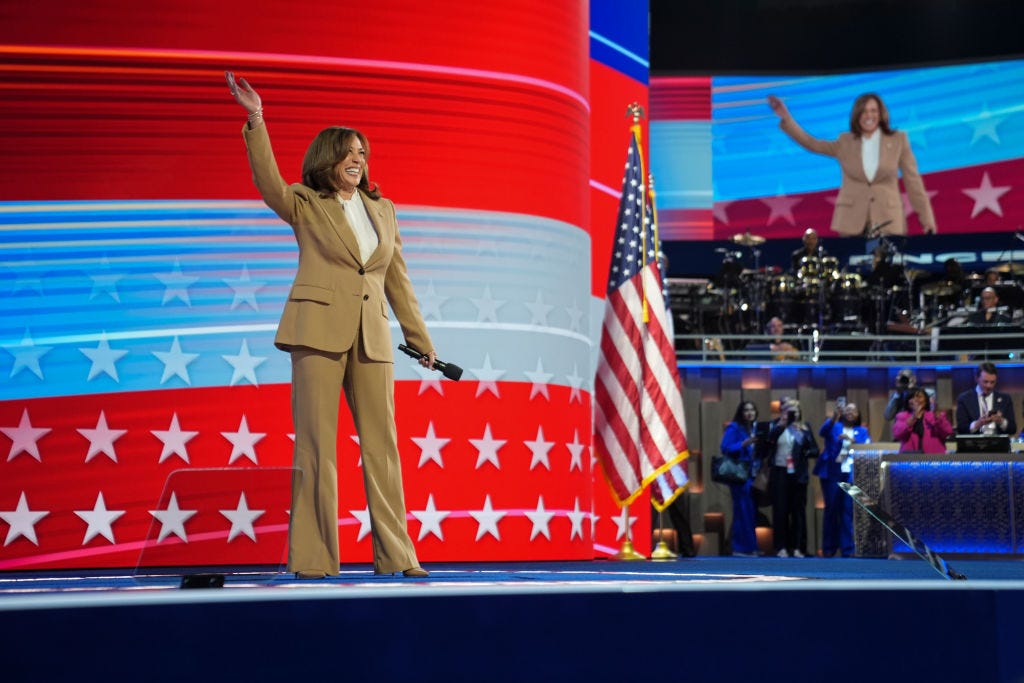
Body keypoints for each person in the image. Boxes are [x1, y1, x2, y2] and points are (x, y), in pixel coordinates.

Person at [226, 72, 434, 579]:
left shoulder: (383, 209)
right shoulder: (304, 202)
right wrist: (256, 117)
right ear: (328, 158)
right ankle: (317, 560)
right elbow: (267, 180)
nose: (358, 160)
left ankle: (398, 558)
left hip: (373, 337)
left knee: (383, 450)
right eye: (349, 152)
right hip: (316, 333)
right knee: (318, 447)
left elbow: (397, 279)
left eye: (363, 152)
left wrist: (419, 339)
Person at [767, 93, 937, 237]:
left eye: (873, 110)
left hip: (888, 220)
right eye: (863, 111)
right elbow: (812, 144)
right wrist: (786, 118)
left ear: (881, 113)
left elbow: (913, 181)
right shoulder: (845, 142)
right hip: (851, 221)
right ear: (857, 115)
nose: (868, 115)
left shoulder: (898, 140)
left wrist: (927, 220)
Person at [761, 398, 819, 557]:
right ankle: (781, 547)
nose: (792, 413)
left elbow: (815, 450)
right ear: (781, 411)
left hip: (798, 474)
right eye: (788, 410)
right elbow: (765, 447)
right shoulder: (774, 425)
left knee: (798, 511)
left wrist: (803, 440)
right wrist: (781, 426)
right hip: (779, 472)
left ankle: (799, 547)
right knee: (780, 510)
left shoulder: (804, 427)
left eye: (795, 410)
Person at [815, 400, 870, 558]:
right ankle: (828, 549)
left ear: (858, 414)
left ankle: (848, 549)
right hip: (832, 472)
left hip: (851, 474)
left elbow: (868, 447)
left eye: (854, 410)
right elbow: (823, 432)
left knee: (847, 511)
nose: (850, 412)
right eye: (848, 410)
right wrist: (834, 417)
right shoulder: (835, 426)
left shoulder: (862, 431)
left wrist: (852, 441)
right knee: (831, 509)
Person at [720, 401, 764, 556]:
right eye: (746, 410)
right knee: (742, 511)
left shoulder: (755, 428)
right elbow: (725, 447)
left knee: (750, 512)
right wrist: (743, 444)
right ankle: (740, 548)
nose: (749, 413)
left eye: (752, 409)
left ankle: (751, 547)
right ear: (741, 412)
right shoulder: (734, 428)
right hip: (739, 475)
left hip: (752, 475)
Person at [955, 362, 1017, 436]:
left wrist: (1001, 421)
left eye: (992, 382)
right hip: (974, 445)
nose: (989, 386)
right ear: (976, 379)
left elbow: (1013, 429)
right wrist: (978, 424)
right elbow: (961, 429)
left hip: (999, 445)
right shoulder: (964, 399)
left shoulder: (1005, 399)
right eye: (985, 382)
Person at [892, 387, 953, 453]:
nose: (915, 400)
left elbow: (948, 432)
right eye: (911, 397)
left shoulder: (936, 416)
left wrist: (938, 418)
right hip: (909, 458)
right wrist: (914, 417)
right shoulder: (902, 416)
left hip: (934, 458)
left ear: (926, 401)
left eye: (919, 397)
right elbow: (897, 434)